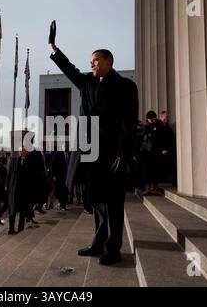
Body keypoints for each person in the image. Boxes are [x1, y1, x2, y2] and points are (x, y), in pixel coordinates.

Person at [50, 33, 138, 265]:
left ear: (109, 61)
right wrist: (55, 49)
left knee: (114, 203)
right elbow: (70, 70)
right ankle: (98, 243)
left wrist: (123, 152)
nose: (91, 63)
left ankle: (113, 248)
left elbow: (128, 123)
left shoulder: (126, 86)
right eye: (90, 61)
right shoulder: (87, 82)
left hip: (113, 153)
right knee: (98, 201)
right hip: (91, 151)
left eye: (95, 60)